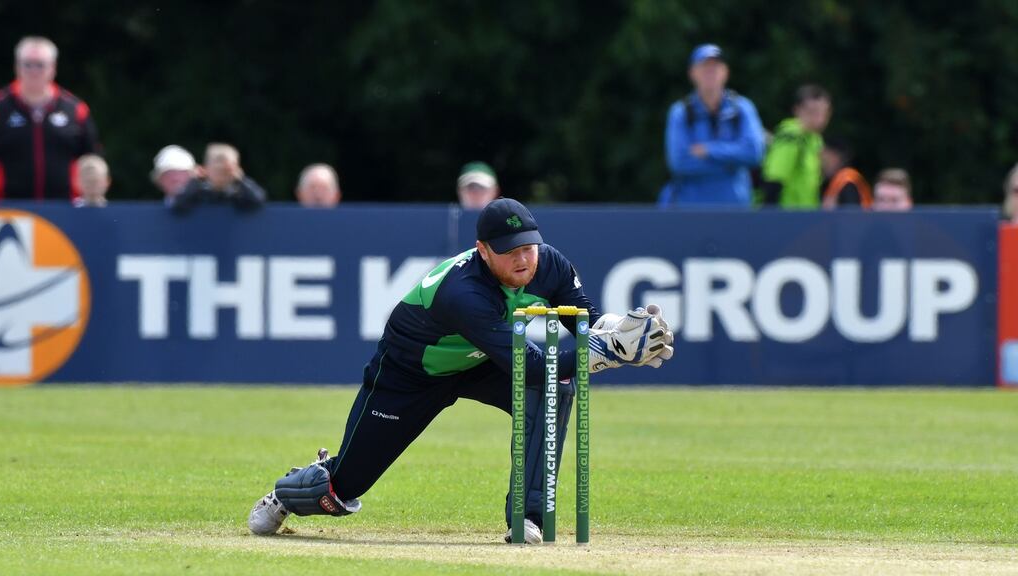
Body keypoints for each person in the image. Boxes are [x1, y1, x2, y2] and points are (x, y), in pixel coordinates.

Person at [248, 198, 674, 544]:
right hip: (410, 373)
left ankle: (528, 518)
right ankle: (288, 492)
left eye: (529, 247)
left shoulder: (549, 264)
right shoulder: (463, 292)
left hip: (479, 361)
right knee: (343, 489)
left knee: (554, 389)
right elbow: (530, 365)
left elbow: (586, 324)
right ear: (483, 250)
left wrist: (621, 331)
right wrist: (608, 353)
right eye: (510, 251)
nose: (524, 260)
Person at [658, 44, 766, 207]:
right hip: (691, 211)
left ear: (725, 72)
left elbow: (754, 153)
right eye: (704, 67)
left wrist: (709, 150)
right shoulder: (680, 112)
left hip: (735, 211)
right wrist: (733, 163)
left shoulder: (742, 108)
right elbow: (679, 162)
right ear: (692, 73)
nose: (710, 72)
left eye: (715, 67)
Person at [0, 36, 100, 201]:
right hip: (8, 208)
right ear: (16, 66)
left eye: (40, 65)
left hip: (65, 208)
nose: (33, 71)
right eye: (27, 64)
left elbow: (92, 159)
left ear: (53, 67)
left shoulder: (75, 109)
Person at [761, 85, 832, 209]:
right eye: (813, 112)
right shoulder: (791, 136)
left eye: (823, 113)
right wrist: (769, 216)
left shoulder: (814, 140)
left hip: (805, 214)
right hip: (786, 214)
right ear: (797, 110)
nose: (819, 118)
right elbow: (775, 178)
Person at [169, 143, 266, 213]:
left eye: (226, 169)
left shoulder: (238, 194)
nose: (221, 173)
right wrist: (194, 181)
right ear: (206, 168)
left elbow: (259, 200)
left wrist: (241, 179)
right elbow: (176, 205)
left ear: (236, 169)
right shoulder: (199, 193)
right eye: (216, 169)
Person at [820, 137, 871, 210]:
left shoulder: (848, 182)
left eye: (825, 160)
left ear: (836, 157)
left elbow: (851, 214)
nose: (821, 164)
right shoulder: (832, 182)